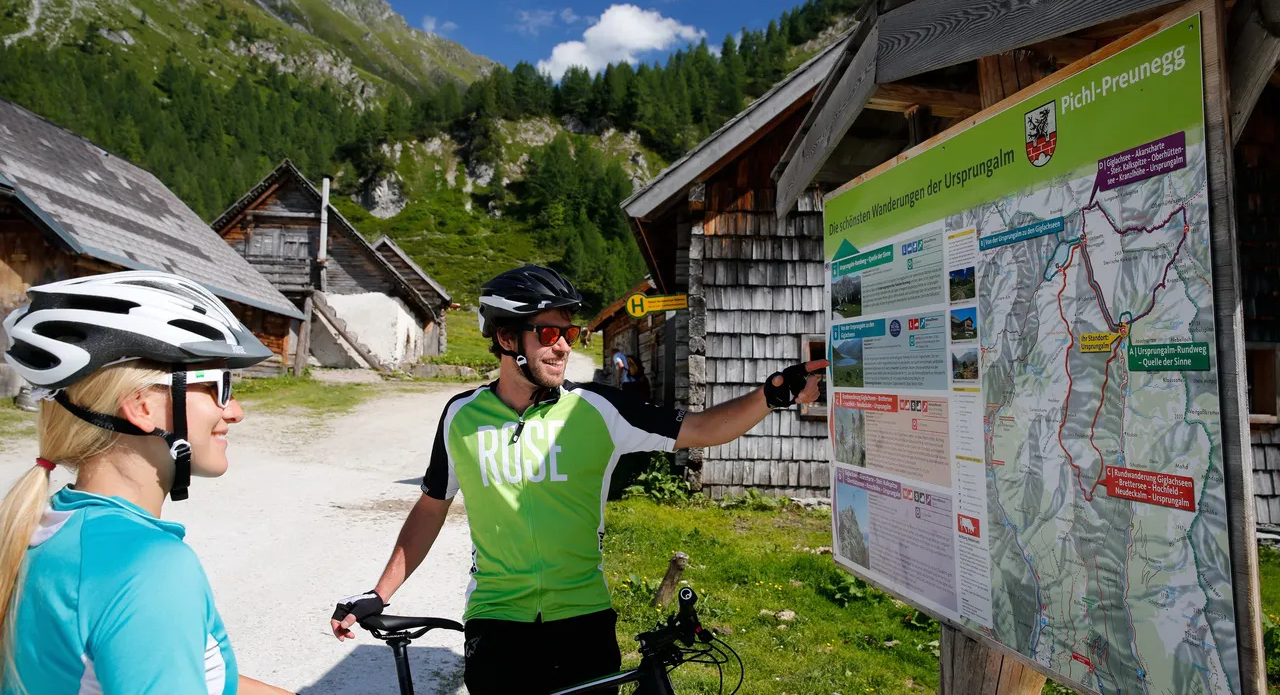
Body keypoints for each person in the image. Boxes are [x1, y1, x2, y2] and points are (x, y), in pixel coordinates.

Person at [331, 264, 826, 694]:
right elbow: (431, 506)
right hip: (496, 622)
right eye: (548, 333)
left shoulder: (598, 410)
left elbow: (700, 429)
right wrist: (381, 592)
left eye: (570, 333)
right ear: (507, 339)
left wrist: (771, 397)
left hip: (583, 620)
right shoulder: (461, 417)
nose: (564, 346)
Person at [0, 271, 293, 695]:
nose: (236, 411)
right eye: (218, 386)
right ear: (141, 407)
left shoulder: (48, 526)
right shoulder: (147, 567)